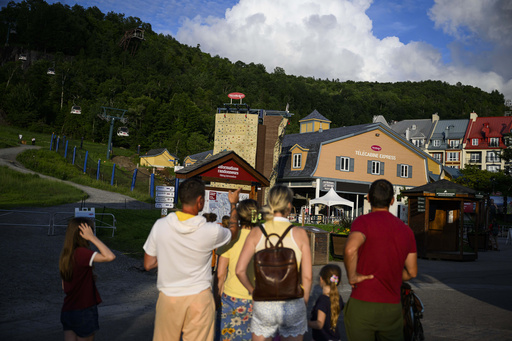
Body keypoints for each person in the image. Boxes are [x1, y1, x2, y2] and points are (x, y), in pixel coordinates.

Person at [143, 177, 241, 341]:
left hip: (169, 297)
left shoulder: (160, 225)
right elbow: (233, 232)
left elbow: (148, 264)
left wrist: (172, 253)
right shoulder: (211, 231)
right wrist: (233, 204)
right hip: (199, 298)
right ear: (200, 201)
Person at [343, 179, 418, 341]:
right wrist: (394, 275)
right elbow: (412, 271)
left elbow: (350, 249)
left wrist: (352, 276)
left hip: (362, 303)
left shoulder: (363, 222)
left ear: (368, 198)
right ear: (392, 200)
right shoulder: (406, 231)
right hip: (391, 307)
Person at [236, 185, 313, 341]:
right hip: (292, 302)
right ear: (289, 206)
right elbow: (307, 277)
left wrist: (253, 291)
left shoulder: (256, 232)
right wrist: (303, 301)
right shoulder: (299, 234)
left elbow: (240, 270)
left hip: (264, 302)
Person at [59, 217, 116, 341]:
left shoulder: (66, 254)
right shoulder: (82, 253)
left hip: (68, 309)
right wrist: (93, 238)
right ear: (83, 234)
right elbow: (110, 256)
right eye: (91, 231)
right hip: (84, 310)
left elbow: (64, 286)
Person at [217, 199, 260, 341]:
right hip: (258, 297)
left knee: (231, 336)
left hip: (232, 297)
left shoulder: (230, 238)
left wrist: (217, 297)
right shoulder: (263, 238)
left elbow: (221, 273)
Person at [308, 264, 344, 341]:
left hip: (322, 338)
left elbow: (319, 324)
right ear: (339, 282)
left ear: (321, 279)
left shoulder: (323, 300)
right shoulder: (338, 298)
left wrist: (305, 323)